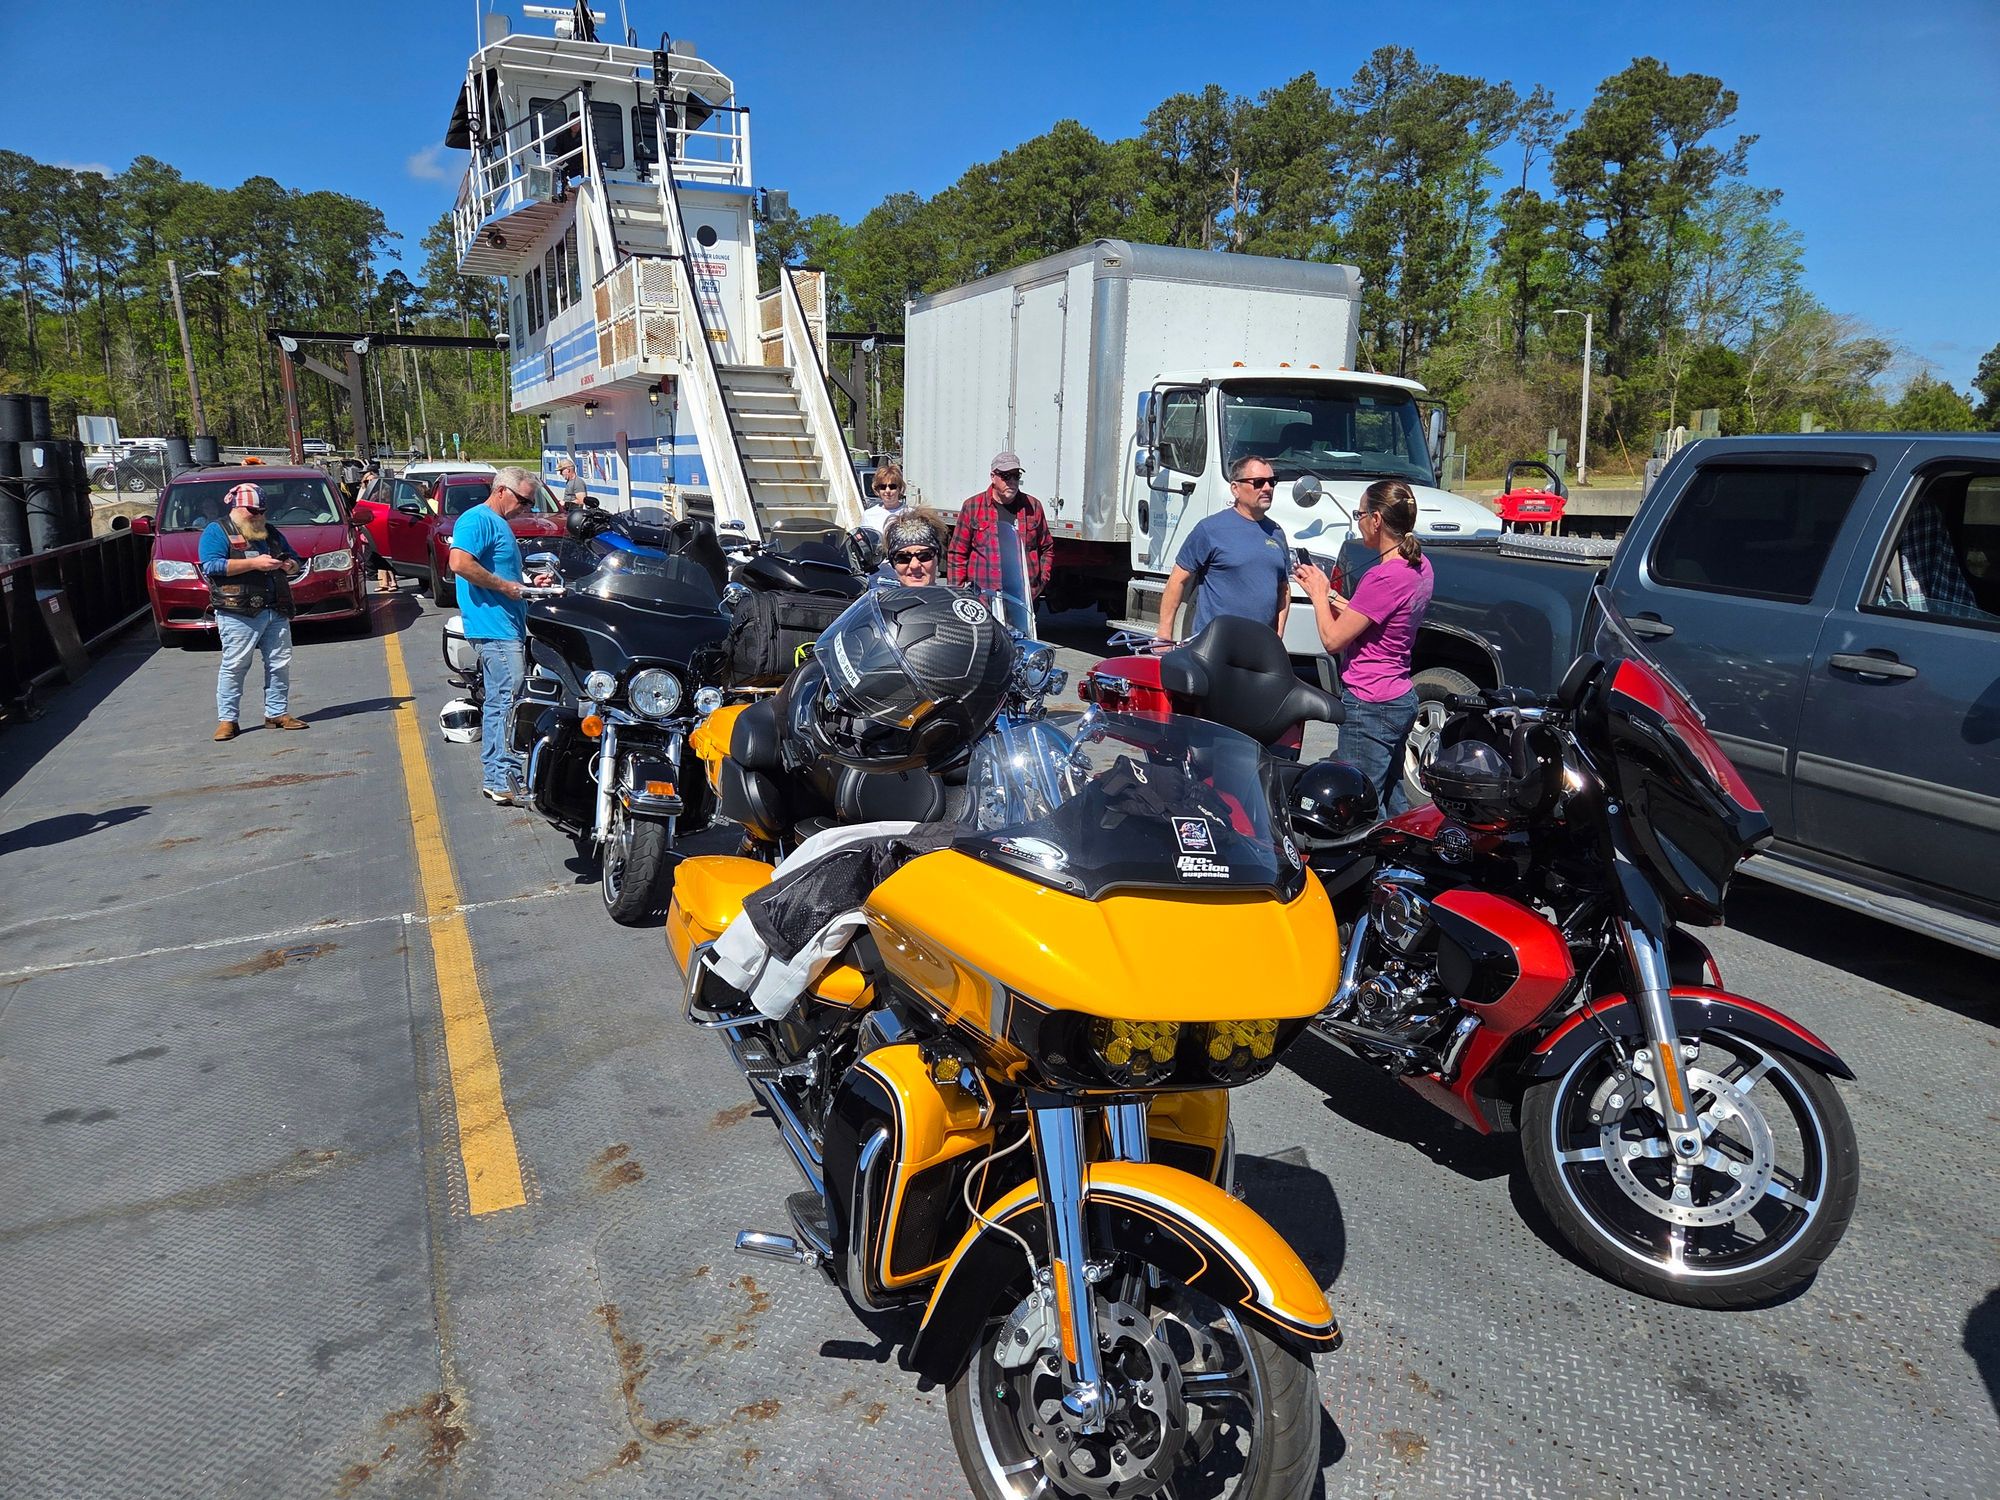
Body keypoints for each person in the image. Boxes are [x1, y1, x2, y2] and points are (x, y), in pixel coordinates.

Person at [1293, 479, 1433, 813]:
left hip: (1371, 703)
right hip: (1398, 696)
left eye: (1359, 515)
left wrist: (1317, 596)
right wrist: (1330, 594)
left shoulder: (1383, 577)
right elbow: (1369, 615)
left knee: (1361, 805)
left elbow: (1333, 640)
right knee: (1393, 798)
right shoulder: (1419, 565)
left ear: (1376, 520)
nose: (1358, 522)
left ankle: (1373, 850)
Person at [448, 465, 539, 804]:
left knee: (505, 700)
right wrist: (505, 587)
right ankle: (501, 778)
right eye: (524, 501)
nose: (526, 508)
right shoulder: (478, 520)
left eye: (530, 504)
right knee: (506, 702)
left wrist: (527, 584)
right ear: (501, 491)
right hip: (494, 629)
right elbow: (459, 563)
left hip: (505, 626)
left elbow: (502, 573)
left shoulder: (496, 523)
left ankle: (501, 776)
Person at [199, 482, 309, 741]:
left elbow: (295, 559)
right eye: (253, 511)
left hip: (275, 607)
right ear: (237, 508)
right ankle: (228, 720)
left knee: (279, 663)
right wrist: (254, 564)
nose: (259, 515)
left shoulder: (270, 532)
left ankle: (276, 713)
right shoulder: (217, 531)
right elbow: (211, 566)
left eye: (262, 511)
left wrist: (290, 565)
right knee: (235, 664)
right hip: (238, 610)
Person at [1155, 454, 1290, 641]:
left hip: (1260, 647)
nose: (1267, 488)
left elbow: (1283, 589)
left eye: (1271, 481)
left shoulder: (1277, 533)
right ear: (1235, 489)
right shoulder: (1210, 529)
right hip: (1214, 645)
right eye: (1259, 482)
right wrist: (1164, 634)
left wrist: (1278, 634)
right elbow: (1177, 581)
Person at [948, 450, 1052, 603]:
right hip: (984, 597)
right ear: (993, 477)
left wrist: (1040, 583)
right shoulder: (973, 506)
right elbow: (957, 553)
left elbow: (1047, 548)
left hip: (1023, 599)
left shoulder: (1033, 506)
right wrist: (959, 595)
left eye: (1016, 476)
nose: (1012, 481)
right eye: (1006, 476)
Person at [877, 508, 949, 588]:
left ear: (938, 558)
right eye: (903, 558)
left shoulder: (954, 596)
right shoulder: (879, 596)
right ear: (892, 563)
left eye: (924, 556)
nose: (914, 565)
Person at [859, 461, 909, 534]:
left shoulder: (910, 513)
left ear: (900, 488)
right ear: (878, 490)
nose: (887, 491)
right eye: (883, 487)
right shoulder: (868, 515)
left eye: (892, 486)